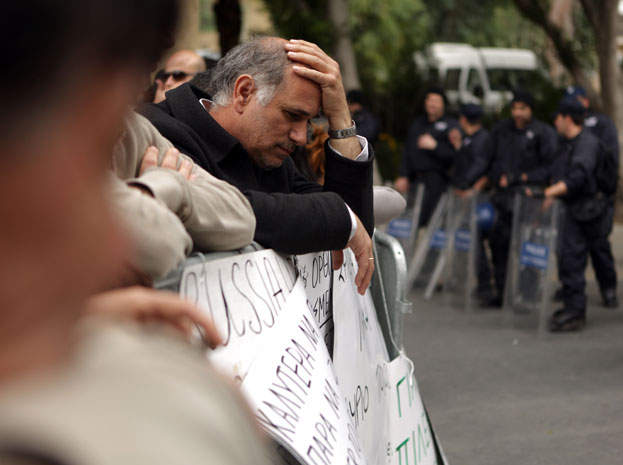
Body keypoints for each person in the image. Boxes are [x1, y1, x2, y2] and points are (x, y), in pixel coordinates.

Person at [0, 0, 276, 464]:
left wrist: (162, 191)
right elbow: (153, 242)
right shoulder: (154, 413)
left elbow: (239, 215)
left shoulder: (131, 130)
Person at [142, 37, 374, 294]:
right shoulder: (159, 132)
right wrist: (334, 218)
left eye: (308, 122)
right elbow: (212, 209)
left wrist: (341, 118)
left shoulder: (270, 152)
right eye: (293, 116)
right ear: (244, 93)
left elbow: (352, 224)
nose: (300, 137)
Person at [111, 113, 257, 281]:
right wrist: (156, 189)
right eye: (290, 114)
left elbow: (241, 218)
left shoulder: (132, 127)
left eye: (143, 85)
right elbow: (163, 246)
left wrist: (167, 187)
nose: (136, 94)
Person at [483, 90, 559, 307]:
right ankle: (502, 292)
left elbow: (551, 167)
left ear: (530, 109)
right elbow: (490, 161)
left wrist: (524, 178)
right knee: (499, 246)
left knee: (528, 247)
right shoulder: (501, 131)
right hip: (504, 198)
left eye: (522, 108)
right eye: (515, 107)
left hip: (529, 199)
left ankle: (528, 294)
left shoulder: (542, 132)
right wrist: (500, 177)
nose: (518, 112)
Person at [543, 98, 611, 332]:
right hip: (572, 208)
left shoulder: (587, 144)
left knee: (574, 258)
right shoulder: (567, 143)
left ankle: (576, 312)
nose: (555, 122)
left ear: (567, 118)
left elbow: (578, 176)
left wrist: (550, 192)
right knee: (567, 258)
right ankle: (571, 306)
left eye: (558, 117)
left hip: (587, 209)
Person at [562, 85, 618, 307]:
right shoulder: (568, 127)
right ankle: (572, 294)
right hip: (576, 198)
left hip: (597, 198)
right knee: (572, 251)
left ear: (585, 101)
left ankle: (608, 287)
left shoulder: (601, 124)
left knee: (599, 247)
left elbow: (611, 160)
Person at [394, 88, 460, 226]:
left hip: (436, 181)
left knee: (433, 223)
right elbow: (407, 151)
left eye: (436, 101)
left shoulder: (451, 126)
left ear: (443, 104)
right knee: (411, 221)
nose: (432, 104)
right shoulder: (418, 124)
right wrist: (404, 175)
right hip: (416, 181)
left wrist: (435, 146)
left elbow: (456, 155)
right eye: (430, 100)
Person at [451, 104, 493, 300]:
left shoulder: (482, 139)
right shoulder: (469, 139)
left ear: (463, 120)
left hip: (477, 197)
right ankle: (474, 280)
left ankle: (485, 284)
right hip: (465, 193)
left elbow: (481, 167)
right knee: (469, 240)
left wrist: (470, 187)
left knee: (477, 239)